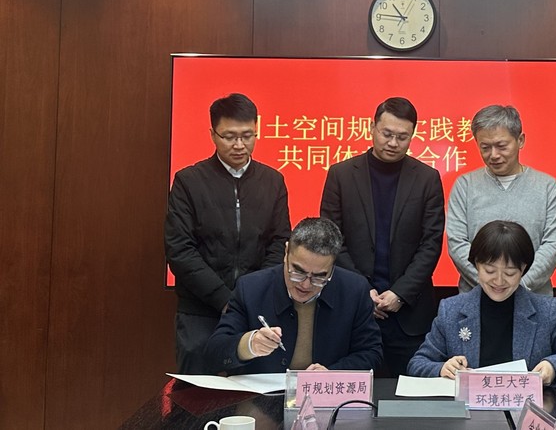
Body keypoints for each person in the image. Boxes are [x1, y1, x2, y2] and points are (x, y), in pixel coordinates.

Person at [165, 93, 291, 374]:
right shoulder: (189, 181)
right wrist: (224, 299)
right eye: (229, 137)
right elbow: (180, 249)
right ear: (213, 134)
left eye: (247, 136)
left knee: (253, 393)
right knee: (197, 392)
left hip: (254, 311)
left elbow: (279, 242)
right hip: (200, 311)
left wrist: (250, 296)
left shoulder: (272, 181)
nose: (239, 145)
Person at [320, 97, 444, 377]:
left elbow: (431, 243)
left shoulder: (427, 178)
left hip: (409, 314)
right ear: (372, 127)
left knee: (411, 396)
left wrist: (401, 293)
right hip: (352, 308)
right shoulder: (341, 175)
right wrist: (362, 291)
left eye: (403, 137)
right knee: (351, 393)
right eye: (387, 134)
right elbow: (332, 240)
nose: (393, 143)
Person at [408, 220, 556, 387]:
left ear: (523, 269)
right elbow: (417, 363)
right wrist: (442, 368)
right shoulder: (451, 310)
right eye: (490, 271)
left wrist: (553, 366)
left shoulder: (546, 311)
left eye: (510, 273)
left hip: (525, 411)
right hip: (469, 413)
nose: (499, 281)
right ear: (476, 265)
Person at [204, 217, 383, 374]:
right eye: (298, 271)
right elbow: (214, 353)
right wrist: (249, 345)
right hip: (262, 397)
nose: (305, 285)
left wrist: (331, 374)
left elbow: (371, 353)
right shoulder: (251, 288)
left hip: (325, 396)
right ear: (286, 252)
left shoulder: (354, 290)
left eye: (319, 277)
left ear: (333, 267)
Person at [447, 105, 556, 296]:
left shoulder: (547, 187)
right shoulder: (465, 185)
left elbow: (552, 245)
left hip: (534, 298)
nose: (493, 155)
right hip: (475, 298)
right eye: (485, 147)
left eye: (501, 146)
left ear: (520, 140)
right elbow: (457, 243)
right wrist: (492, 285)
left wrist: (517, 286)